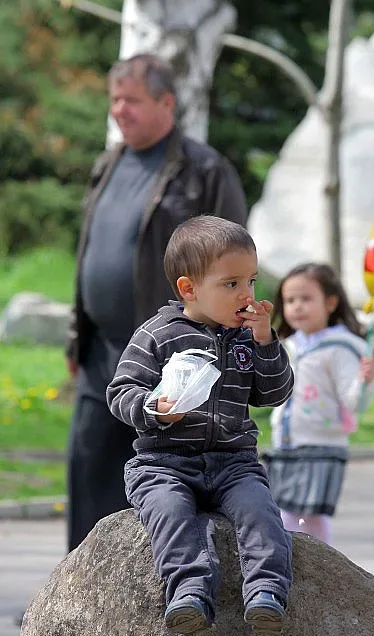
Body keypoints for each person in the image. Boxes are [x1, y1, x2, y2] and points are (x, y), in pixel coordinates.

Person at [65, 53, 248, 552]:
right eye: (114, 100)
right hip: (102, 349)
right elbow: (89, 252)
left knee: (161, 474)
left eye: (131, 100)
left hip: (170, 354)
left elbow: (232, 262)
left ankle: (156, 591)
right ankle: (75, 596)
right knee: (88, 467)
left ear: (166, 103)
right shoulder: (109, 163)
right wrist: (75, 332)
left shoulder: (205, 170)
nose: (119, 111)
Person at [106, 215, 293, 636]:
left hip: (233, 461)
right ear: (189, 289)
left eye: (251, 281)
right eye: (231, 284)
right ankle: (189, 592)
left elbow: (273, 393)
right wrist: (154, 408)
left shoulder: (248, 336)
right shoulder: (157, 334)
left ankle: (266, 592)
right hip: (165, 462)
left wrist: (266, 342)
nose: (247, 295)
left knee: (260, 511)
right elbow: (120, 392)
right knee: (170, 513)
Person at [266, 262, 374, 547]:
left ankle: (318, 569)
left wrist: (364, 381)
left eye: (306, 299)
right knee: (284, 511)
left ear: (330, 302)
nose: (297, 307)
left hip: (321, 445)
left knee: (308, 516)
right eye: (290, 300)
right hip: (288, 443)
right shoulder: (287, 346)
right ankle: (295, 566)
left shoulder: (340, 348)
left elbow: (354, 402)